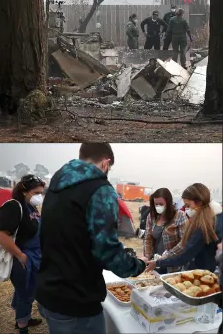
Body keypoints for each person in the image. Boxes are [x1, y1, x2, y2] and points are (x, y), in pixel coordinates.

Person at [36, 143, 146, 334]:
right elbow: (106, 250)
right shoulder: (100, 189)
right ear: (106, 163)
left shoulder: (58, 181)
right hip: (76, 300)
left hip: (49, 289)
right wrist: (138, 265)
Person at [0, 175, 46, 334]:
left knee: (28, 290)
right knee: (25, 294)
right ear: (24, 191)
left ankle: (24, 318)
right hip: (22, 260)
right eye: (36, 192)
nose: (39, 196)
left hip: (35, 258)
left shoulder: (31, 206)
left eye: (41, 193)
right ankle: (23, 328)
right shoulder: (14, 206)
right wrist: (20, 255)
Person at [146, 183, 223, 273]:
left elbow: (185, 255)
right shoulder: (213, 219)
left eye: (188, 205)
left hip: (203, 273)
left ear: (199, 202)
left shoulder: (203, 226)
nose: (187, 209)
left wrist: (159, 262)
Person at [143, 188, 188, 274]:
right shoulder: (152, 216)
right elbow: (147, 238)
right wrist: (147, 255)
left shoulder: (180, 216)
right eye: (156, 204)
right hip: (154, 262)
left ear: (168, 203)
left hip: (172, 264)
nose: (158, 206)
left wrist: (167, 255)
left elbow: (184, 242)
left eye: (161, 204)